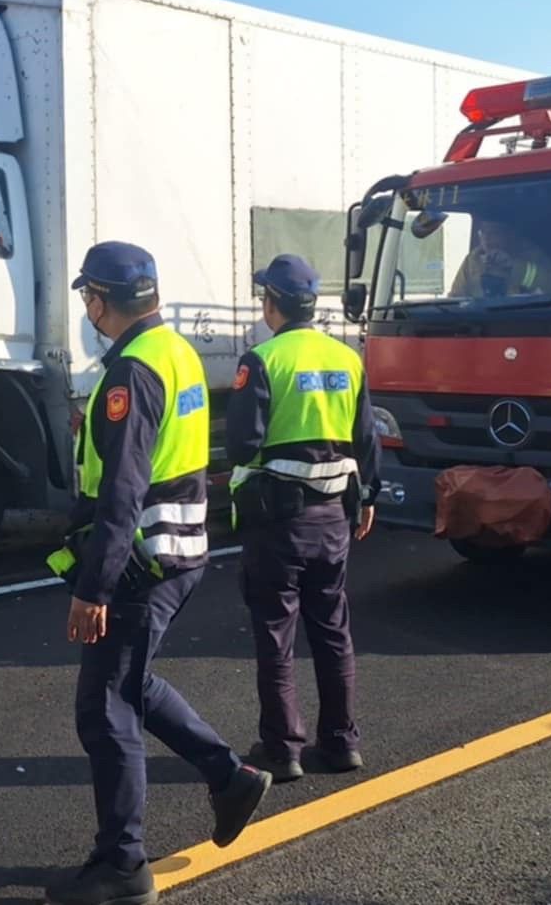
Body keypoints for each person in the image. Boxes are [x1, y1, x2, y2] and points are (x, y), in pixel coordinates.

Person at [42, 241, 271, 905]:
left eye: (89, 297)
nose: (87, 308)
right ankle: (228, 777)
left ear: (100, 300)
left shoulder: (132, 372)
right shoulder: (173, 351)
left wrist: (95, 588)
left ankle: (123, 867)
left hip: (143, 559)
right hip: (178, 550)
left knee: (104, 707)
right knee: (131, 685)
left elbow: (121, 491)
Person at [226, 255, 379, 783]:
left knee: (276, 634)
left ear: (271, 303)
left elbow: (243, 445)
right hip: (335, 517)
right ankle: (341, 744)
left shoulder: (263, 360)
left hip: (277, 522)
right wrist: (369, 498)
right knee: (333, 630)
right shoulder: (347, 358)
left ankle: (283, 748)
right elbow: (367, 439)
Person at [450, 218, 551, 298]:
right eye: (483, 232)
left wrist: (513, 267)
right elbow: (456, 297)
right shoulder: (473, 259)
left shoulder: (532, 256)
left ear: (510, 235)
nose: (487, 238)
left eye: (494, 233)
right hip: (482, 321)